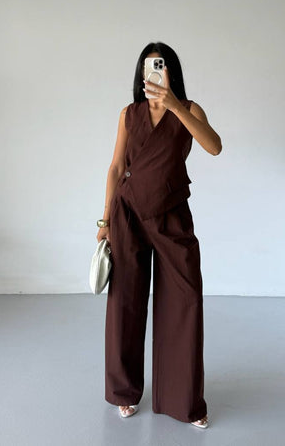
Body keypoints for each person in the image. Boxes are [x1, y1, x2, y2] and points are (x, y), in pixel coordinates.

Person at [97, 42, 222, 428]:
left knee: (185, 302)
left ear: (171, 72)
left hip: (171, 214)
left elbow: (215, 147)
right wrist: (104, 221)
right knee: (125, 303)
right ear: (141, 73)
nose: (153, 71)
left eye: (160, 65)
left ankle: (185, 401)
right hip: (128, 214)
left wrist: (174, 106)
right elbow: (115, 167)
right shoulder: (129, 114)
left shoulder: (190, 109)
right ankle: (124, 392)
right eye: (148, 66)